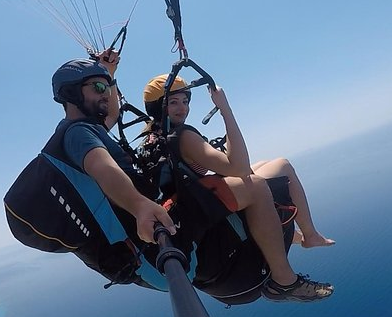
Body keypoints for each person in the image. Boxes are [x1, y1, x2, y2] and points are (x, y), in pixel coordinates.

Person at [141, 74, 334, 302]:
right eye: (173, 102)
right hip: (201, 217)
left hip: (187, 211)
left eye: (185, 101)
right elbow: (239, 168)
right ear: (159, 107)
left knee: (267, 167)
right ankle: (285, 279)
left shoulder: (152, 136)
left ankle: (305, 235)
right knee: (268, 176)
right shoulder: (182, 136)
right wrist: (225, 110)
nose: (182, 108)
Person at [51, 52, 176, 245]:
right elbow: (103, 169)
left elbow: (112, 114)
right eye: (99, 87)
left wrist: (109, 72)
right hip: (148, 230)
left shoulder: (86, 128)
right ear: (71, 93)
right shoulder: (78, 134)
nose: (106, 94)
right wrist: (140, 205)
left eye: (107, 90)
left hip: (145, 222)